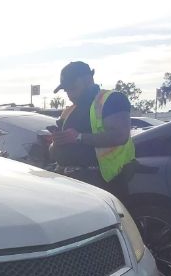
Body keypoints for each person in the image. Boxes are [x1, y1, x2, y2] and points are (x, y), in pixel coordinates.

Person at [49, 61, 135, 201]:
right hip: (70, 183)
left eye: (73, 88)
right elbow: (54, 149)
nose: (70, 94)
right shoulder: (69, 111)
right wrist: (55, 143)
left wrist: (79, 137)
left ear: (88, 79)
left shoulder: (111, 99)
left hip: (104, 184)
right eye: (66, 90)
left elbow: (120, 135)